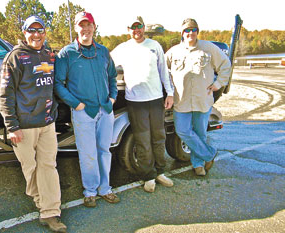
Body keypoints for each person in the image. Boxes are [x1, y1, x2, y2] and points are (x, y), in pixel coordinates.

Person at [0, 16, 67, 232]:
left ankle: (50, 212)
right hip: (24, 127)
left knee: (48, 166)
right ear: (25, 32)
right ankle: (42, 201)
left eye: (40, 30)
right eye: (32, 30)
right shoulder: (15, 58)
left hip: (47, 123)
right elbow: (5, 94)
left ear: (44, 32)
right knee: (31, 169)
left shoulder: (49, 55)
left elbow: (56, 85)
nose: (36, 35)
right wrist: (12, 126)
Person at [54, 12, 120, 207]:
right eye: (81, 25)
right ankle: (90, 191)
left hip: (105, 110)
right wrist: (76, 104)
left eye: (89, 24)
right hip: (84, 112)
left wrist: (113, 97)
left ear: (94, 27)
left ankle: (105, 189)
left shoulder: (103, 51)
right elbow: (58, 84)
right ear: (76, 28)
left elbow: (112, 76)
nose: (86, 29)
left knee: (104, 151)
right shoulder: (67, 53)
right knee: (88, 153)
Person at [111, 16, 174, 193]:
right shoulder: (122, 49)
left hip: (156, 100)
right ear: (128, 29)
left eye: (139, 26)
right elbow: (106, 65)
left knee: (159, 138)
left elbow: (164, 71)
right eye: (133, 27)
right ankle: (148, 176)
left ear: (144, 27)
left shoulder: (155, 46)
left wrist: (169, 93)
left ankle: (160, 171)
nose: (136, 30)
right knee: (143, 140)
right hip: (135, 102)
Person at [165, 18, 231, 176]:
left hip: (203, 100)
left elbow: (225, 65)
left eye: (193, 30)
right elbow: (162, 69)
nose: (190, 33)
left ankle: (198, 164)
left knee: (200, 134)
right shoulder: (174, 51)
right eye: (187, 30)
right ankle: (209, 154)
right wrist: (169, 91)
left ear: (197, 32)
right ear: (182, 33)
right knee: (183, 131)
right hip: (181, 101)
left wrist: (218, 84)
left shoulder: (208, 48)